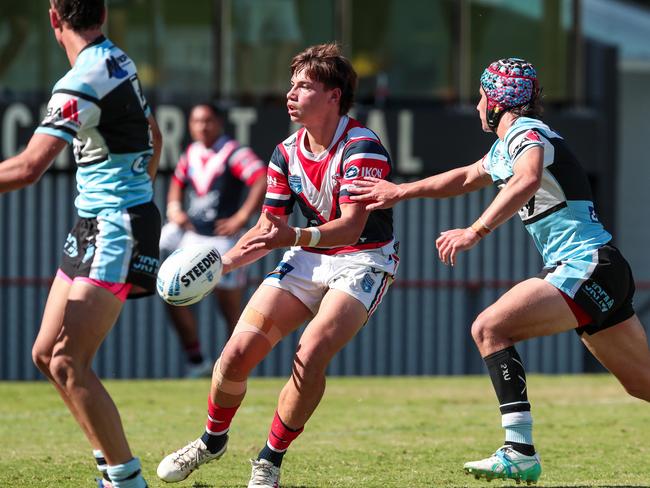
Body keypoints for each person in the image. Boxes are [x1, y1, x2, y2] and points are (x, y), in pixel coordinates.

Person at [349, 57, 650, 485]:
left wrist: (475, 230)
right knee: (643, 385)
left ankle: (519, 450)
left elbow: (526, 179)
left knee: (490, 328)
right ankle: (518, 450)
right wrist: (402, 190)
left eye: (480, 97)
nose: (476, 106)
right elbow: (464, 177)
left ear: (496, 101)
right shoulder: (509, 143)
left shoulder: (527, 134)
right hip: (603, 269)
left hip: (586, 265)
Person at [156, 43, 398, 488]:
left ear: (333, 96)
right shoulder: (285, 152)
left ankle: (269, 459)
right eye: (291, 85)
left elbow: (348, 229)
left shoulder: (362, 146)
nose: (291, 94)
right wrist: (221, 265)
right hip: (308, 255)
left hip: (363, 259)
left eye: (304, 86)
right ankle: (211, 441)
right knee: (234, 355)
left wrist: (295, 237)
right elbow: (270, 228)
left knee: (311, 352)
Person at [0, 1, 162, 487]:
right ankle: (110, 471)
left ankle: (126, 480)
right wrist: (139, 196)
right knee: (47, 354)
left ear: (54, 18)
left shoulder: (82, 79)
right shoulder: (118, 60)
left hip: (114, 228)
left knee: (69, 361)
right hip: (99, 223)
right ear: (103, 13)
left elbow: (29, 168)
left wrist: (130, 209)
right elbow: (153, 134)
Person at [159, 103, 267, 377]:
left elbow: (260, 178)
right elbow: (176, 183)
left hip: (224, 241)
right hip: (193, 238)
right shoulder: (191, 152)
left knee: (230, 306)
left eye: (207, 121)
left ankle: (238, 366)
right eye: (196, 121)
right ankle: (197, 360)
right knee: (173, 295)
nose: (201, 126)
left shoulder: (233, 152)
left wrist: (242, 216)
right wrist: (174, 208)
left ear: (218, 122)